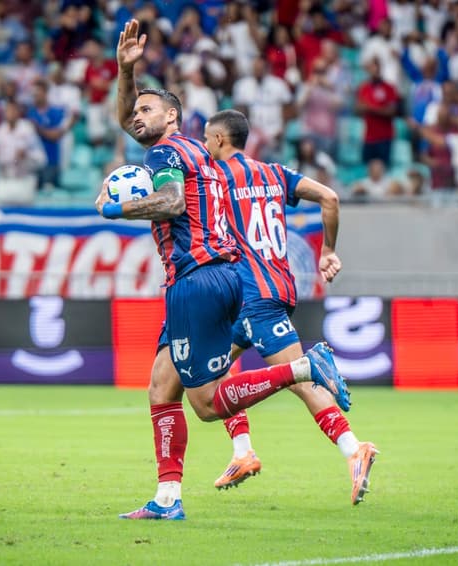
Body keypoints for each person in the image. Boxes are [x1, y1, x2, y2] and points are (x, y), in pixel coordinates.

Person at [95, 19, 350, 521]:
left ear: (172, 115)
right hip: (218, 275)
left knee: (208, 405)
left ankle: (303, 368)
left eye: (148, 109)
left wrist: (114, 209)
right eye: (136, 110)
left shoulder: (165, 153)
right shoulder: (195, 150)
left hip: (197, 278)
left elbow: (170, 202)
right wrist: (125, 72)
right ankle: (167, 499)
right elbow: (129, 122)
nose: (136, 116)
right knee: (161, 388)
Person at [204, 109, 378, 501]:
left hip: (254, 297)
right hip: (271, 290)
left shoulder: (216, 178)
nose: (203, 145)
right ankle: (242, 452)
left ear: (218, 140)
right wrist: (328, 250)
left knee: (299, 379)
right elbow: (330, 197)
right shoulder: (275, 173)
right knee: (212, 373)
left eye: (206, 138)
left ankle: (354, 448)